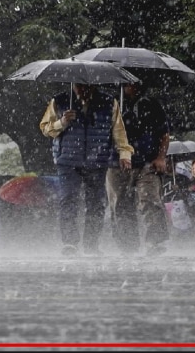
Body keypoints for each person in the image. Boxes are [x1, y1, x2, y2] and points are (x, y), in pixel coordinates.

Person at [40, 83, 133, 257]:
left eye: (86, 86)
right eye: (78, 86)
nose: (82, 90)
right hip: (67, 161)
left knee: (97, 203)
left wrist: (124, 153)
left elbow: (119, 131)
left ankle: (91, 244)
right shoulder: (59, 101)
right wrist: (62, 122)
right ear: (73, 84)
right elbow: (46, 129)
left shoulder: (108, 102)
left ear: (94, 85)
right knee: (68, 200)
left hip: (97, 161)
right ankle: (70, 243)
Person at [105, 82, 170, 256]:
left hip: (147, 162)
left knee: (149, 200)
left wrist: (161, 157)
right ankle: (127, 245)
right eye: (128, 83)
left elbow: (164, 133)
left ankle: (154, 243)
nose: (133, 86)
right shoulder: (111, 103)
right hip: (116, 161)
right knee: (119, 205)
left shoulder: (152, 104)